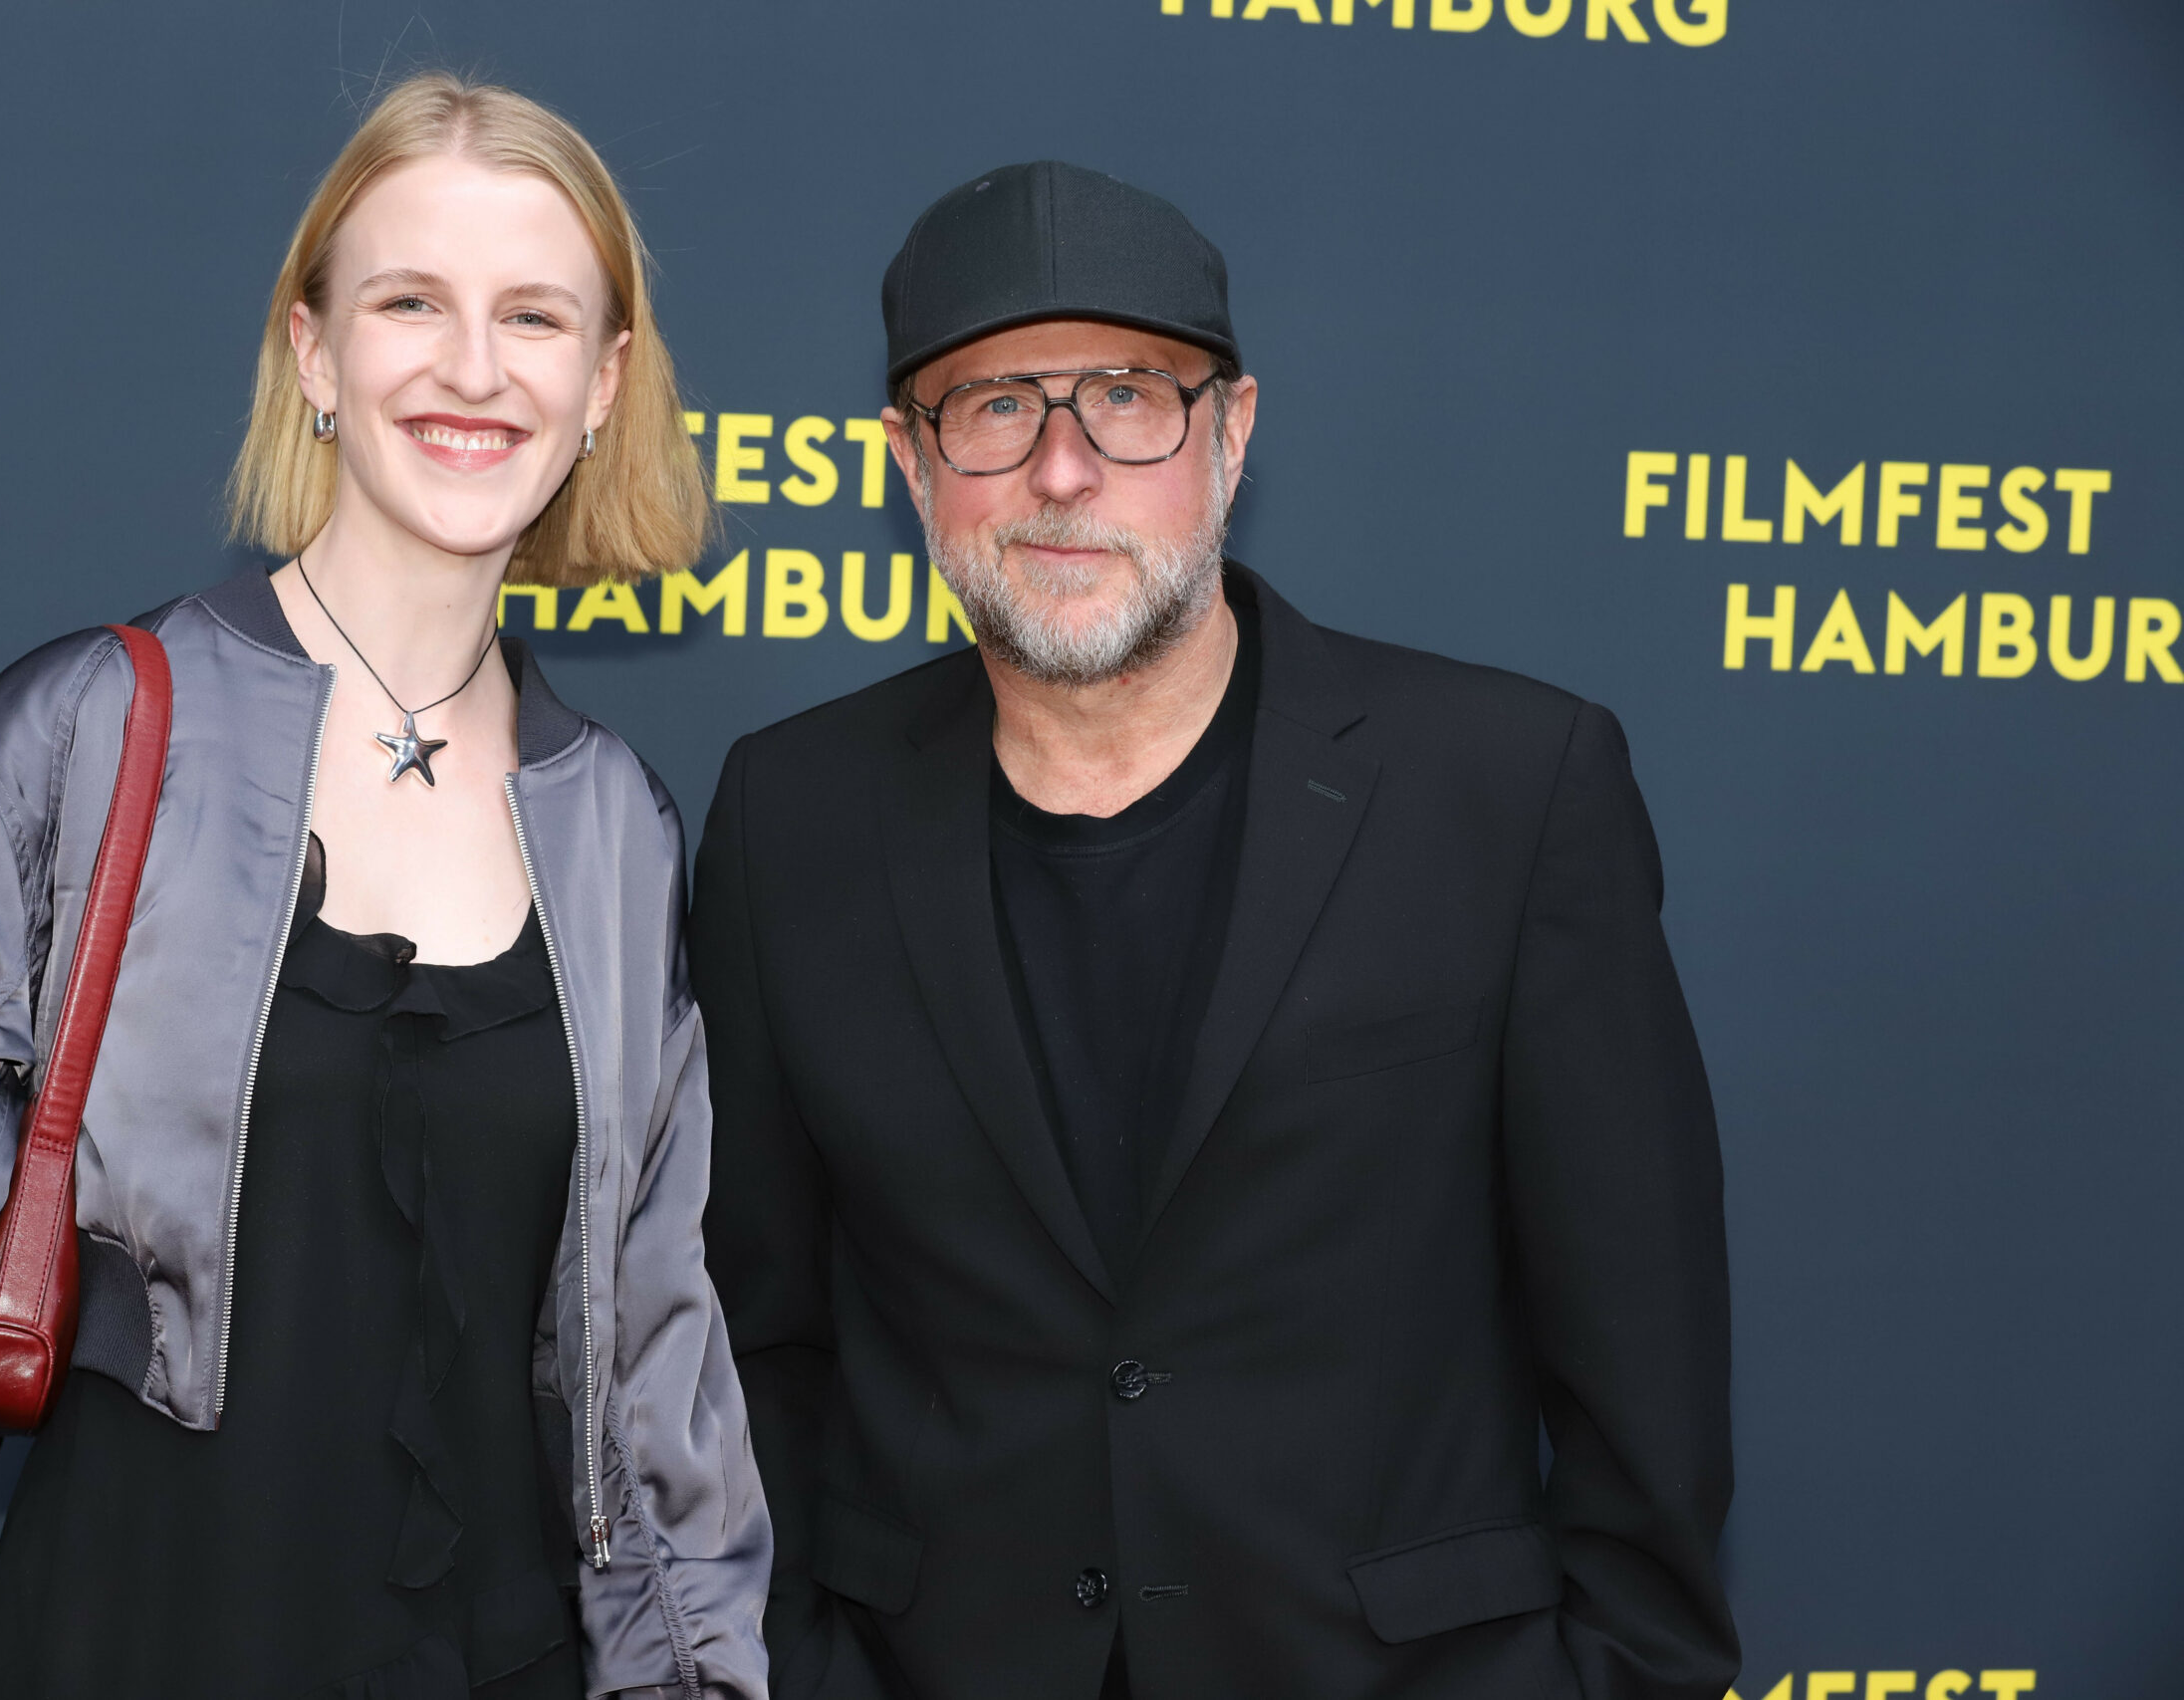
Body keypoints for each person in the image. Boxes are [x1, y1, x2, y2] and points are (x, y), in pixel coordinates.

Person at [0, 75, 768, 1700]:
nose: (474, 368)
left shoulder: (616, 824)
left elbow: (654, 1362)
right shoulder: (76, 739)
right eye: (410, 302)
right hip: (133, 1641)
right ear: (313, 352)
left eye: (534, 317)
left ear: (604, 384)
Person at [693, 161, 1737, 1699]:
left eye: (1127, 397)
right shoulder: (792, 818)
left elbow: (1642, 1361)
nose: (1062, 471)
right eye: (993, 406)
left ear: (1231, 434)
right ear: (911, 463)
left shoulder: (1509, 792)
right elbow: (751, 1340)